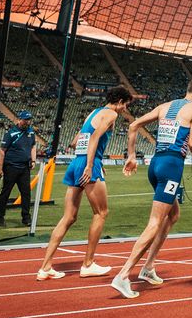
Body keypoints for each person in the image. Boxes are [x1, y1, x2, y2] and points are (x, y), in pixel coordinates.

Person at [113, 79, 192, 298]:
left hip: (155, 164)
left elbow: (133, 125)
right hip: (171, 166)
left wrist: (131, 156)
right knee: (155, 222)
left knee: (173, 214)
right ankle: (124, 274)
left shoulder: (165, 106)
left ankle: (148, 267)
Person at [37, 86, 133, 282]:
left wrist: (89, 161)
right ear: (120, 101)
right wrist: (91, 165)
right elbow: (95, 138)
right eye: (126, 105)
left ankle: (45, 267)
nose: (125, 110)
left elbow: (77, 139)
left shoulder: (94, 112)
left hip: (76, 162)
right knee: (101, 213)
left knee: (68, 217)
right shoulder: (110, 114)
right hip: (87, 164)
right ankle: (88, 264)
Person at [0, 110, 38, 226]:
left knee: (26, 193)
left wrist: (33, 160)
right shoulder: (11, 133)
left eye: (28, 120)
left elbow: (33, 146)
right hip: (11, 167)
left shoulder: (31, 132)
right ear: (19, 120)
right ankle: (0, 217)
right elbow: (2, 151)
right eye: (25, 120)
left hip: (24, 168)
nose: (27, 122)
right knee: (5, 193)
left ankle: (26, 218)